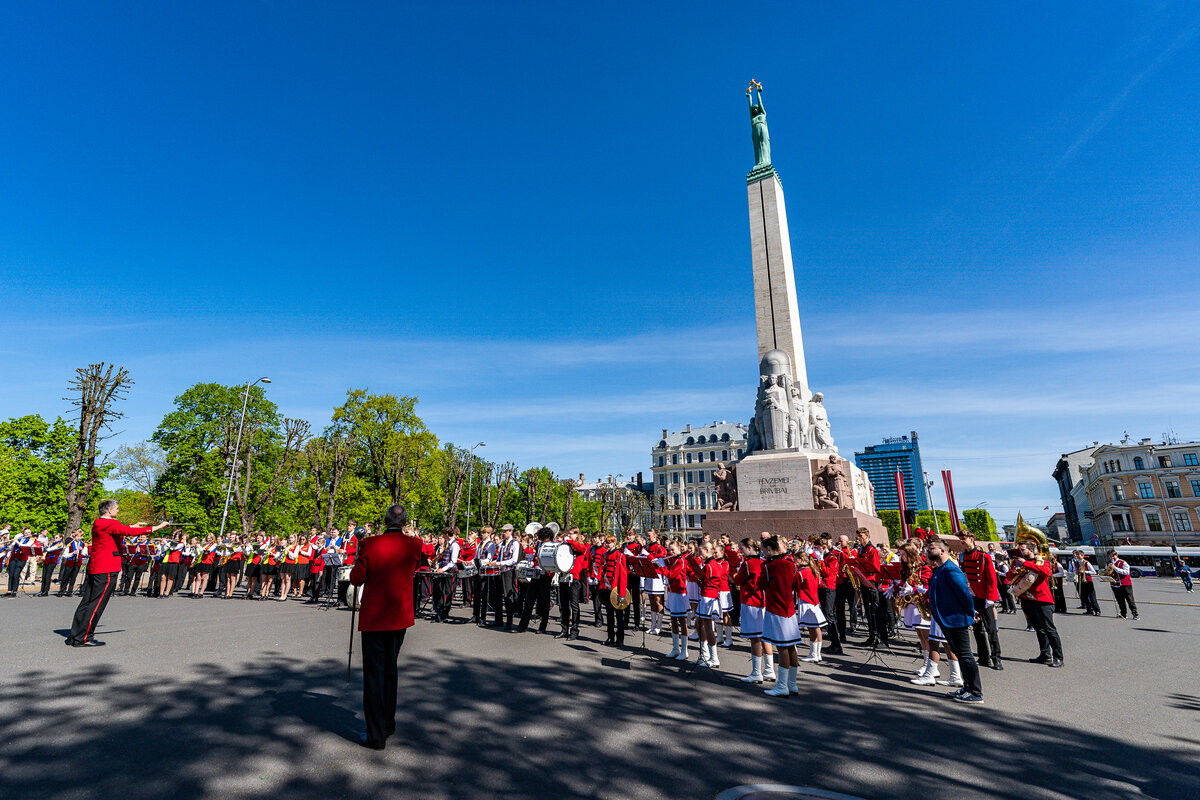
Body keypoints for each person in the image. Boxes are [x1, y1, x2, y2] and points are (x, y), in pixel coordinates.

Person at [348, 504, 423, 750]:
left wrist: (359, 555)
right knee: (390, 669)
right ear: (404, 523)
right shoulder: (415, 544)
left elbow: (356, 578)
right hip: (399, 615)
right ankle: (388, 724)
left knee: (374, 675)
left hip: (375, 616)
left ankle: (376, 735)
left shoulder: (370, 544)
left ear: (385, 520)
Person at [66, 500, 169, 647]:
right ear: (109, 510)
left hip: (97, 566)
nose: (118, 511)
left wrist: (132, 525)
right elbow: (129, 532)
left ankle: (76, 635)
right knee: (96, 604)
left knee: (87, 602)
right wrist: (158, 527)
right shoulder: (109, 523)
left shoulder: (100, 523)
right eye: (117, 509)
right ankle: (84, 637)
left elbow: (120, 529)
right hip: (106, 567)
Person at [925, 537, 983, 704]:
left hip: (955, 619)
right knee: (959, 653)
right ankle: (967, 687)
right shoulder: (939, 569)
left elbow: (964, 593)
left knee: (965, 655)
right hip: (945, 619)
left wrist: (970, 612)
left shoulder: (951, 569)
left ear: (942, 551)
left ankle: (975, 692)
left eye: (931, 548)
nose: (927, 551)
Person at [760, 535, 802, 697]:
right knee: (791, 647)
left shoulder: (768, 566)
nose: (762, 553)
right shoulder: (791, 563)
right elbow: (796, 585)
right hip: (789, 609)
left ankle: (782, 686)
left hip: (775, 608)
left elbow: (761, 584)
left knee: (782, 647)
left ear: (769, 549)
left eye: (763, 550)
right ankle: (792, 684)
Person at [956, 529, 1003, 670]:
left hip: (984, 597)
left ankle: (996, 658)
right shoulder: (962, 556)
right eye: (960, 539)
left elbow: (992, 578)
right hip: (972, 597)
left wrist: (991, 598)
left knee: (991, 629)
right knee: (977, 629)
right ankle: (983, 657)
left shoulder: (984, 556)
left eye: (964, 538)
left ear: (971, 538)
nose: (962, 541)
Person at [1016, 542, 1064, 667]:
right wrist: (1015, 569)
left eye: (1022, 549)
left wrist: (1025, 563)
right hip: (1027, 600)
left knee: (1049, 629)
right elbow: (1009, 577)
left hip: (1042, 600)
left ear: (1031, 550)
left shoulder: (1042, 561)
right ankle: (1045, 655)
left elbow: (1046, 572)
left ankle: (1058, 657)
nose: (1020, 552)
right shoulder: (1019, 562)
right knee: (1039, 629)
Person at [732, 537, 772, 682]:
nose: (740, 552)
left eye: (742, 549)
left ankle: (756, 673)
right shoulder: (762, 561)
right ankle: (769, 670)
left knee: (755, 638)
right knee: (764, 637)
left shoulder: (748, 563)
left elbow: (738, 580)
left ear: (749, 548)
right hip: (762, 601)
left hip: (751, 601)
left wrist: (734, 575)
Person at [555, 527, 590, 640]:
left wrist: (569, 541)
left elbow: (581, 548)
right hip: (564, 577)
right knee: (564, 605)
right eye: (568, 534)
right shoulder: (567, 546)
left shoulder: (581, 546)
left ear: (577, 535)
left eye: (571, 534)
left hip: (574, 579)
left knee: (574, 606)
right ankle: (564, 630)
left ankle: (574, 630)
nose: (569, 536)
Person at [599, 534, 628, 646]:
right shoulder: (605, 555)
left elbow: (623, 576)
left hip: (616, 590)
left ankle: (620, 639)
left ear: (614, 543)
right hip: (606, 589)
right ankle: (610, 637)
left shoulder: (620, 556)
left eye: (610, 542)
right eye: (606, 542)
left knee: (619, 616)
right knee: (609, 615)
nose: (607, 544)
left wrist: (622, 593)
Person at [1107, 551, 1140, 620]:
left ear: (1116, 555)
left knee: (1130, 600)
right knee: (1120, 600)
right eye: (1110, 556)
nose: (1111, 558)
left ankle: (1135, 614)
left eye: (1113, 556)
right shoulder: (1108, 563)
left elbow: (1126, 572)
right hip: (1115, 584)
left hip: (1125, 584)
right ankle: (1123, 614)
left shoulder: (1123, 562)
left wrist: (1115, 568)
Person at [1073, 550, 1102, 615]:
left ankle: (1097, 610)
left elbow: (1094, 572)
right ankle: (1089, 610)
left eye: (1078, 555)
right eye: (1076, 555)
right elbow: (1075, 571)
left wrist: (1084, 571)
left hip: (1088, 581)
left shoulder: (1086, 563)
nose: (1077, 556)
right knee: (1084, 596)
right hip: (1081, 581)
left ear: (1082, 556)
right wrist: (1076, 572)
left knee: (1092, 597)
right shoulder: (1076, 563)